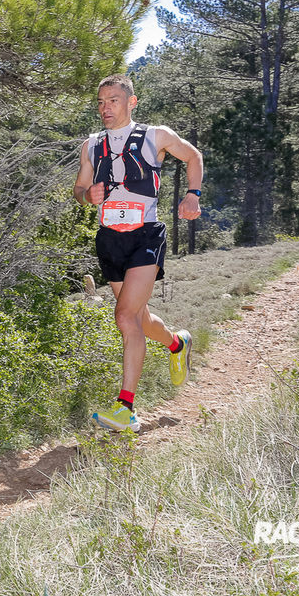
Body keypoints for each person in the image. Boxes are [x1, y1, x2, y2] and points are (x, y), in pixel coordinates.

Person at [73, 74, 204, 432]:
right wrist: (87, 196)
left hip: (145, 235)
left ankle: (125, 408)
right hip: (109, 239)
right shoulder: (91, 145)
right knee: (139, 319)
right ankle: (177, 344)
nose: (105, 108)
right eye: (101, 102)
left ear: (131, 102)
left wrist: (192, 194)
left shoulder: (155, 135)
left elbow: (193, 156)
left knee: (124, 316)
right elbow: (79, 189)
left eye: (113, 100)